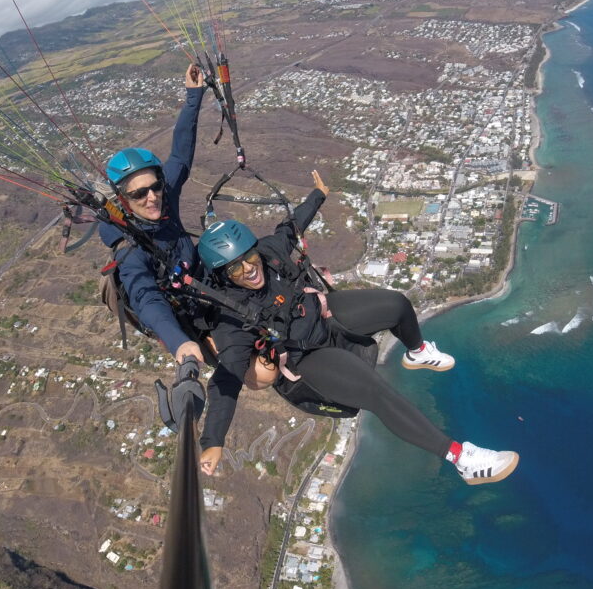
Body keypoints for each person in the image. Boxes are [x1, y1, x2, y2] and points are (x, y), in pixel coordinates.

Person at [194, 173, 519, 485]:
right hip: (305, 357)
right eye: (235, 267)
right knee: (374, 390)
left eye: (248, 257)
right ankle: (461, 459)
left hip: (323, 316)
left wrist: (319, 194)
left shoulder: (269, 252)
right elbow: (227, 377)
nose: (249, 269)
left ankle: (418, 352)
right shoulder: (232, 315)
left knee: (397, 305)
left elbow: (292, 226)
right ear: (222, 275)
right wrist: (213, 439)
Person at [99, 64, 208, 365]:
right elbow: (145, 297)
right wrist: (178, 343)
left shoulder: (163, 195)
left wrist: (193, 96)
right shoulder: (130, 251)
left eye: (155, 186)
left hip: (203, 278)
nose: (151, 197)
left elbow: (180, 155)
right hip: (188, 314)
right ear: (122, 200)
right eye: (138, 194)